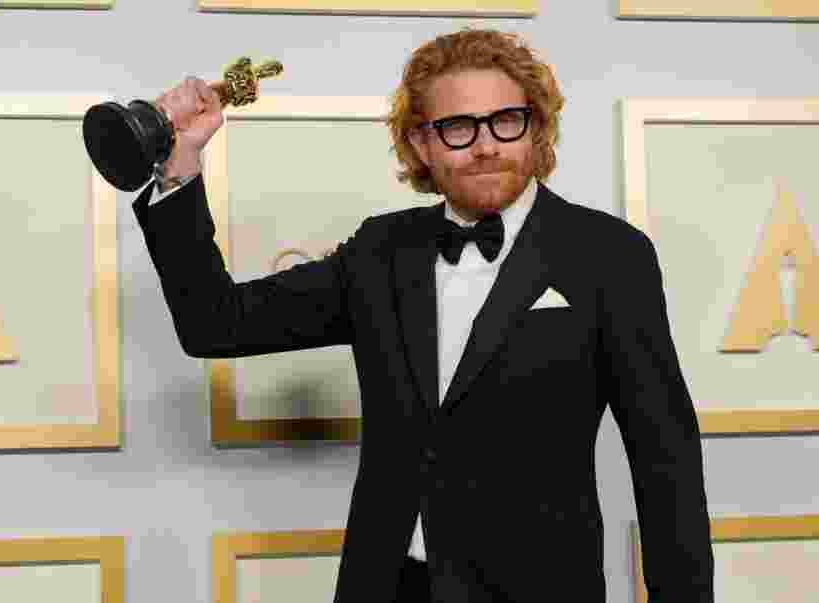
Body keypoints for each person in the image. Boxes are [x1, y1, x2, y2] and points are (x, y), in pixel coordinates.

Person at [134, 28, 713, 603]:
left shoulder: (609, 255)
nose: (486, 145)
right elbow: (217, 323)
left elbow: (667, 462)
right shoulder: (380, 252)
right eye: (459, 128)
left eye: (506, 119)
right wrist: (180, 164)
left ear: (537, 127)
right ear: (421, 144)